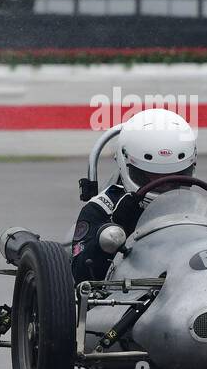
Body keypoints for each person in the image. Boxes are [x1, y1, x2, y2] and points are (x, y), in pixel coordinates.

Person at [69, 108, 197, 282]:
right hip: (127, 296)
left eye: (174, 177)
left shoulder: (200, 208)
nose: (164, 185)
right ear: (125, 164)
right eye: (153, 176)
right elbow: (80, 276)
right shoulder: (102, 208)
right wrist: (116, 230)